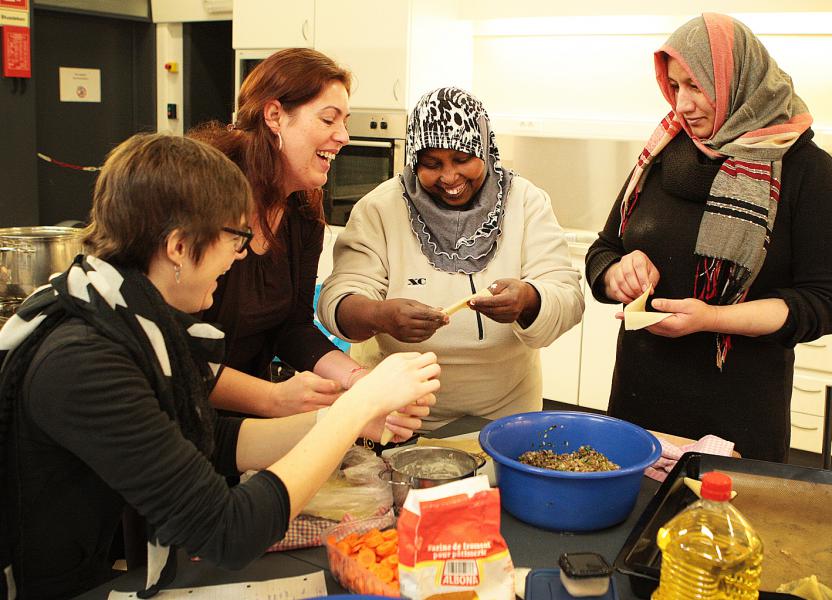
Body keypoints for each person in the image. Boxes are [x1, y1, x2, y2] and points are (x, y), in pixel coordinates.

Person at [0, 133, 438, 599]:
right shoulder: (85, 360)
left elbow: (208, 439)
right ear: (178, 246)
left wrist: (347, 421)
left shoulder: (129, 318)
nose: (241, 254)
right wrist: (358, 405)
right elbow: (229, 529)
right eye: (235, 237)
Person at [584, 13, 832, 462]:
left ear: (736, 79)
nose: (682, 104)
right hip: (639, 404)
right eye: (674, 87)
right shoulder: (662, 152)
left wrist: (711, 319)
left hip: (739, 416)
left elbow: (824, 304)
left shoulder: (806, 169)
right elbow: (603, 250)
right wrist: (618, 274)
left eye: (696, 85)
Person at [317, 87, 583, 430]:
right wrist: (380, 315)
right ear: (414, 160)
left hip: (507, 415)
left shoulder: (526, 203)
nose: (449, 177)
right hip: (402, 417)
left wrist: (530, 299)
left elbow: (568, 295)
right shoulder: (380, 209)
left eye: (462, 160)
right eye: (431, 164)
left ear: (485, 150)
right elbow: (336, 299)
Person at [188, 48, 368, 418]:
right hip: (179, 417)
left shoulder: (302, 212)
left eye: (344, 122)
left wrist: (359, 381)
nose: (344, 137)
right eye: (328, 120)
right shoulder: (205, 197)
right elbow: (175, 356)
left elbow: (294, 329)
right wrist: (272, 399)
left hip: (243, 423)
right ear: (274, 116)